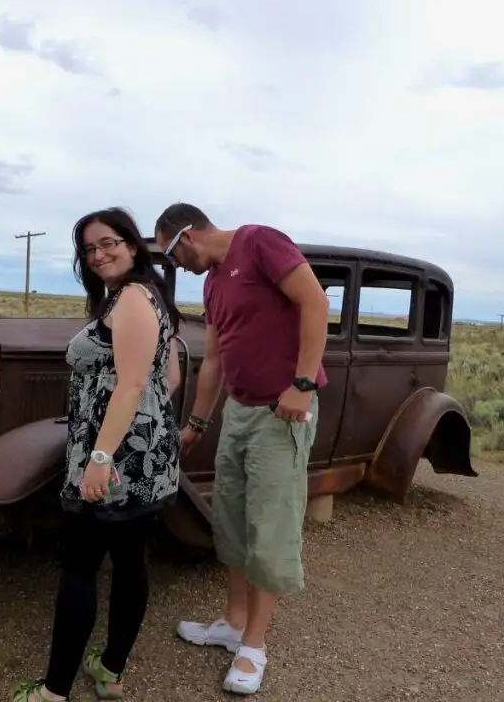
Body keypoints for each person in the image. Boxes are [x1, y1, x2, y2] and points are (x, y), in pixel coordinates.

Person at [153, 203, 329, 695]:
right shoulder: (212, 284)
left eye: (172, 256)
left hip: (282, 411)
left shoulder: (260, 242)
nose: (177, 268)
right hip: (239, 410)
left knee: (269, 522)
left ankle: (254, 646)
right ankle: (232, 622)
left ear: (186, 236)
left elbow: (315, 303)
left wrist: (301, 384)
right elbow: (215, 359)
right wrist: (197, 423)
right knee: (229, 517)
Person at [14, 207, 183, 702]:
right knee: (131, 562)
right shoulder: (152, 297)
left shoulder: (130, 298)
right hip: (145, 455)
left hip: (113, 459)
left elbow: (131, 382)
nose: (98, 254)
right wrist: (145, 430)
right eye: (89, 249)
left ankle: (53, 692)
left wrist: (103, 455)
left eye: (108, 243)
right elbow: (165, 379)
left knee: (80, 566)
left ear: (132, 245)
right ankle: (109, 672)